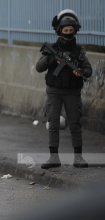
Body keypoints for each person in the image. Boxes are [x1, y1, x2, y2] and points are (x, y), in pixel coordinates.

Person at [35, 9, 92, 169]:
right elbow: (39, 67)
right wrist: (51, 59)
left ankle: (78, 158)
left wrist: (81, 73)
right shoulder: (52, 49)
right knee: (53, 123)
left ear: (75, 30)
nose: (68, 33)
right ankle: (54, 158)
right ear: (60, 31)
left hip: (73, 92)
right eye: (65, 30)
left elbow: (88, 69)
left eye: (71, 30)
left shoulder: (79, 51)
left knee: (75, 124)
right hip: (54, 92)